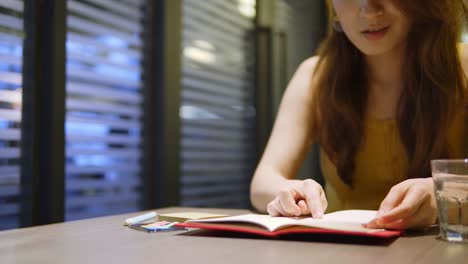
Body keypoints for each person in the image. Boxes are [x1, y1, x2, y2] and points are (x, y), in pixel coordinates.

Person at [250, 0, 468, 230]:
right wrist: (290, 192)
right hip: (341, 247)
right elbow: (263, 182)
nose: (369, 9)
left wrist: (442, 190)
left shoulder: (462, 66)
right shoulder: (315, 76)